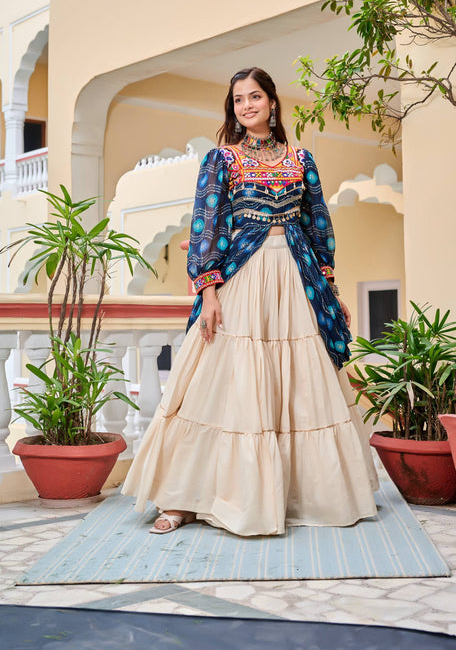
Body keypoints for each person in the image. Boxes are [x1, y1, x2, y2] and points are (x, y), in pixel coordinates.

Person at [122, 67, 379, 535]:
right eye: (238, 100)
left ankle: (295, 495)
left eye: (254, 96)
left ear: (273, 103)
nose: (246, 106)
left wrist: (330, 289)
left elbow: (319, 224)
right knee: (221, 385)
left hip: (295, 275)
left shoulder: (302, 159)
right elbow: (206, 225)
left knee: (298, 386)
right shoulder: (221, 159)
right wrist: (210, 290)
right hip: (243, 273)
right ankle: (182, 498)